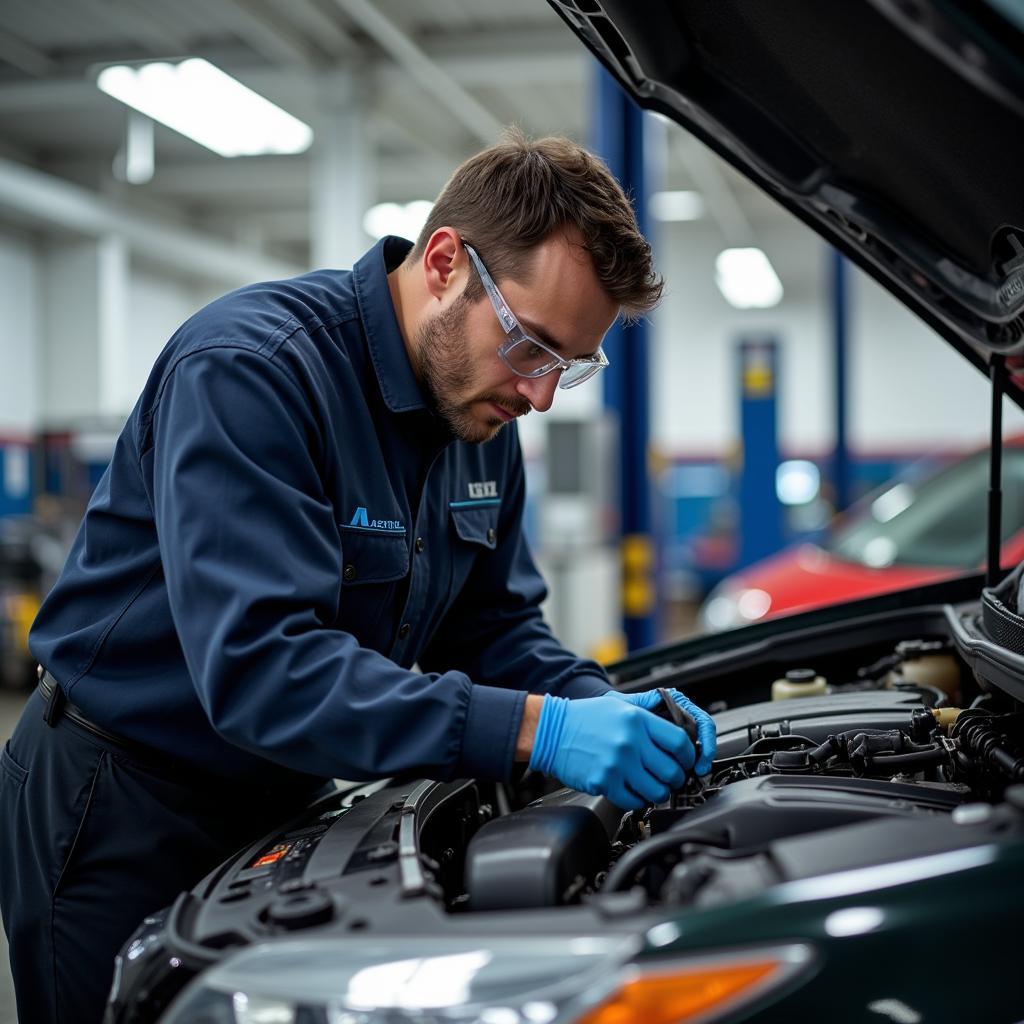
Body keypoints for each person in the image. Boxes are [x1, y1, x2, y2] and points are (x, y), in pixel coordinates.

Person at [0, 128, 716, 1024]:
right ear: (447, 262)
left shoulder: (481, 422)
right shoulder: (253, 372)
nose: (539, 395)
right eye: (533, 347)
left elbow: (492, 626)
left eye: (567, 367)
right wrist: (539, 728)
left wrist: (598, 703)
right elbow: (264, 669)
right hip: (123, 802)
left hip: (289, 792)